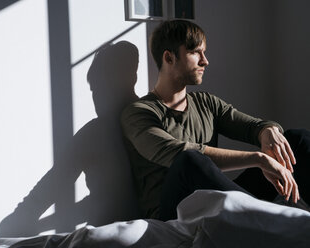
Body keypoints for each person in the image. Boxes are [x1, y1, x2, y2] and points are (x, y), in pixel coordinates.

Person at [120, 20, 310, 221]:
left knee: (296, 138)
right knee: (189, 159)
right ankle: (267, 217)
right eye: (195, 52)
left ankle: (258, 212)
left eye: (204, 52)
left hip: (214, 199)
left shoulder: (206, 103)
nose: (205, 61)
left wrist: (268, 131)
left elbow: (253, 126)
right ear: (169, 57)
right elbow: (180, 155)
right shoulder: (138, 113)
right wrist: (259, 159)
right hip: (174, 213)